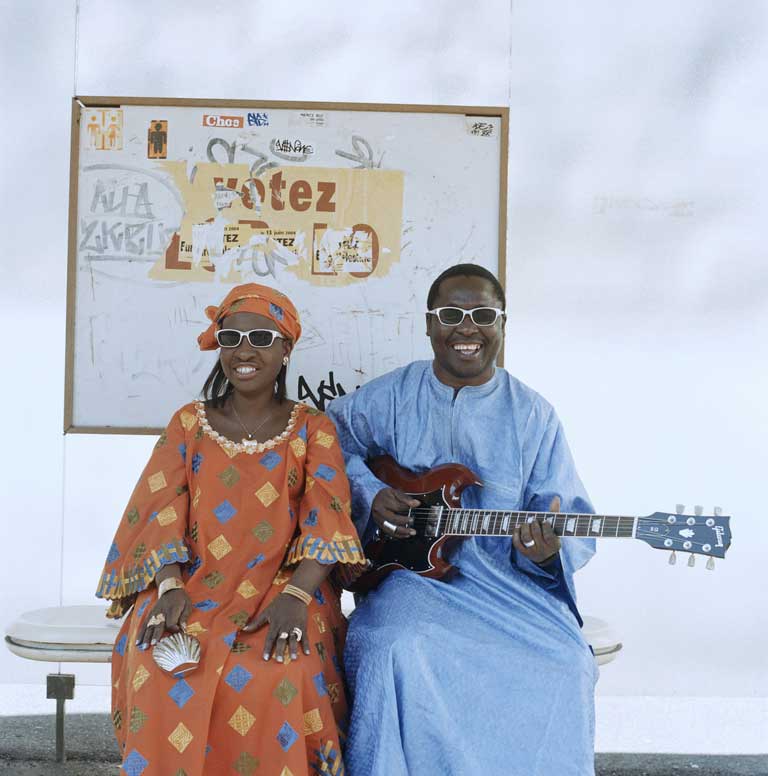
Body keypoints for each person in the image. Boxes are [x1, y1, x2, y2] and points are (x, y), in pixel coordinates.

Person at [326, 264, 598, 776]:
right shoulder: (391, 395)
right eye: (451, 314)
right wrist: (370, 492)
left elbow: (565, 510)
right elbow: (323, 444)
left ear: (502, 325)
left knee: (567, 664)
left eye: (482, 315)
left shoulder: (534, 415)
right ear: (429, 324)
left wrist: (544, 552)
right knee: (392, 650)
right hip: (410, 582)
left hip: (506, 587)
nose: (466, 328)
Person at [96, 283, 365, 776]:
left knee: (283, 669)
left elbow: (328, 519)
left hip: (286, 588)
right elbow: (160, 509)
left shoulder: (313, 428)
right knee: (162, 666)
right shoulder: (188, 424)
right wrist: (170, 585)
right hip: (193, 584)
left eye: (262, 337)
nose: (245, 350)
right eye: (232, 336)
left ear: (286, 349)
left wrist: (299, 597)